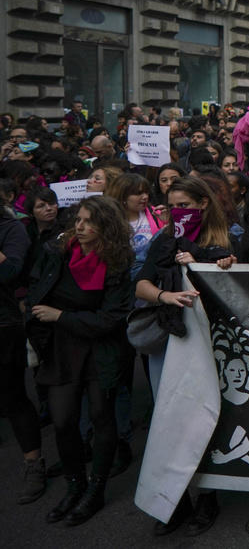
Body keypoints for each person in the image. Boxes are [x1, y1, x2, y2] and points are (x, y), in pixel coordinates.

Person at [133, 176, 234, 536]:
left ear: (203, 205)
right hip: (172, 339)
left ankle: (207, 497)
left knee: (204, 419)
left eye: (186, 207)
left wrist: (213, 264)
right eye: (173, 207)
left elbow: (239, 287)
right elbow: (143, 284)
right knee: (172, 417)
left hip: (214, 342)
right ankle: (173, 502)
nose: (179, 213)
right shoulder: (166, 240)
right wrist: (165, 297)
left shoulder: (225, 239)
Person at [26, 196, 133, 526]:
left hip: (101, 350)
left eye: (89, 222)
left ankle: (95, 491)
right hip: (62, 349)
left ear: (106, 227)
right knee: (62, 421)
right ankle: (75, 486)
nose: (81, 227)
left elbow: (109, 320)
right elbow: (35, 289)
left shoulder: (117, 263)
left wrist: (60, 316)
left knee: (102, 418)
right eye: (79, 220)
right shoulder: (58, 253)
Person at [0, 194, 42, 506]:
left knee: (12, 396)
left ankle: (33, 463)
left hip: (3, 324)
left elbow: (11, 272)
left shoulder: (10, 230)